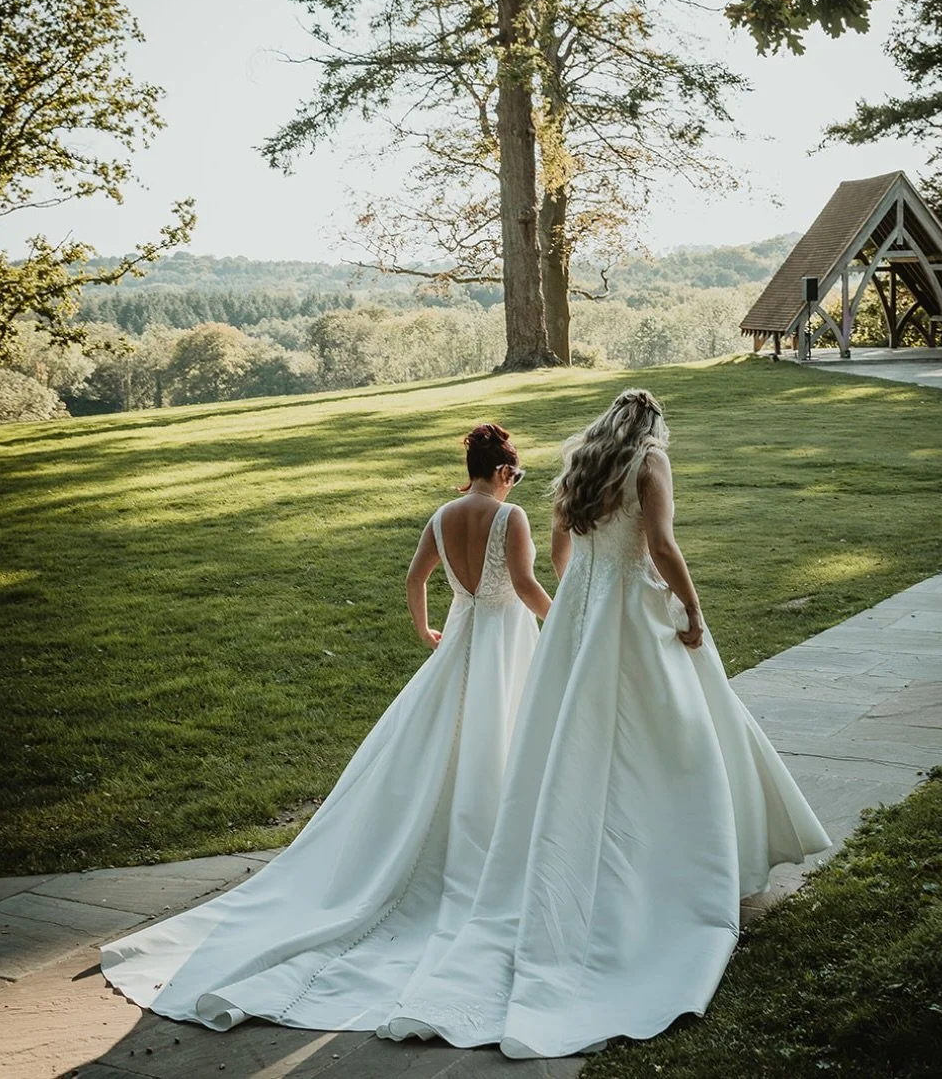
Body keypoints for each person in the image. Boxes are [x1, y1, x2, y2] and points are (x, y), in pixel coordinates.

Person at [380, 389, 831, 1058]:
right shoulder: (648, 463)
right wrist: (692, 609)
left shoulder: (580, 462)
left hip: (581, 618)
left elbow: (563, 545)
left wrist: (583, 596)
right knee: (676, 735)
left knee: (578, 743)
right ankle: (679, 871)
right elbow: (663, 546)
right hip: (633, 612)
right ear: (653, 426)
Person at [101, 423, 551, 1031]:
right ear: (504, 472)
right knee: (499, 735)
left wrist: (424, 631)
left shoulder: (442, 516)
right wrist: (566, 625)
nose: (513, 484)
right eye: (515, 476)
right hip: (505, 641)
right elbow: (524, 586)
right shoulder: (510, 516)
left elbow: (415, 579)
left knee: (439, 741)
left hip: (462, 639)